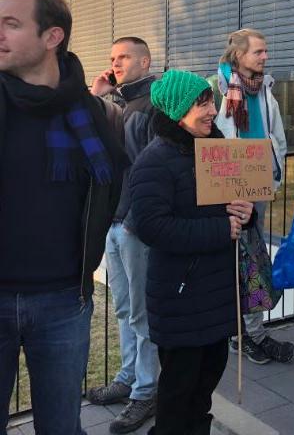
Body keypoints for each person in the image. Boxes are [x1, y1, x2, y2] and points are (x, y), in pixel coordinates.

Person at [0, 0, 126, 435]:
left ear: (52, 37)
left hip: (64, 301)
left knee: (61, 427)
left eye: (10, 24)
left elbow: (118, 189)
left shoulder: (97, 115)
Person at [129, 69, 254, 435]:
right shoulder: (154, 161)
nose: (212, 110)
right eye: (201, 103)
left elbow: (232, 205)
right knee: (178, 392)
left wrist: (245, 215)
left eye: (210, 101)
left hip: (216, 292)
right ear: (176, 110)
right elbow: (152, 227)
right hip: (180, 297)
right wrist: (222, 228)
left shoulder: (216, 152)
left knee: (203, 389)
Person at [87, 37, 159, 432]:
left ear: (144, 60)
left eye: (124, 57)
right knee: (121, 308)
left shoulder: (153, 103)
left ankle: (147, 390)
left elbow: (151, 169)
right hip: (113, 222)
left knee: (141, 312)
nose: (116, 63)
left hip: (133, 224)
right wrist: (98, 97)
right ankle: (129, 377)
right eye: (112, 58)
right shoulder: (116, 103)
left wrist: (133, 217)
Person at [214, 28, 294, 365]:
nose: (265, 57)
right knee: (235, 261)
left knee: (255, 261)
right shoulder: (216, 88)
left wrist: (273, 175)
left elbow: (274, 134)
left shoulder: (265, 90)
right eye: (258, 52)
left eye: (265, 51)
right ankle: (239, 334)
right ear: (239, 56)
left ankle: (253, 331)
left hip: (258, 184)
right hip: (230, 187)